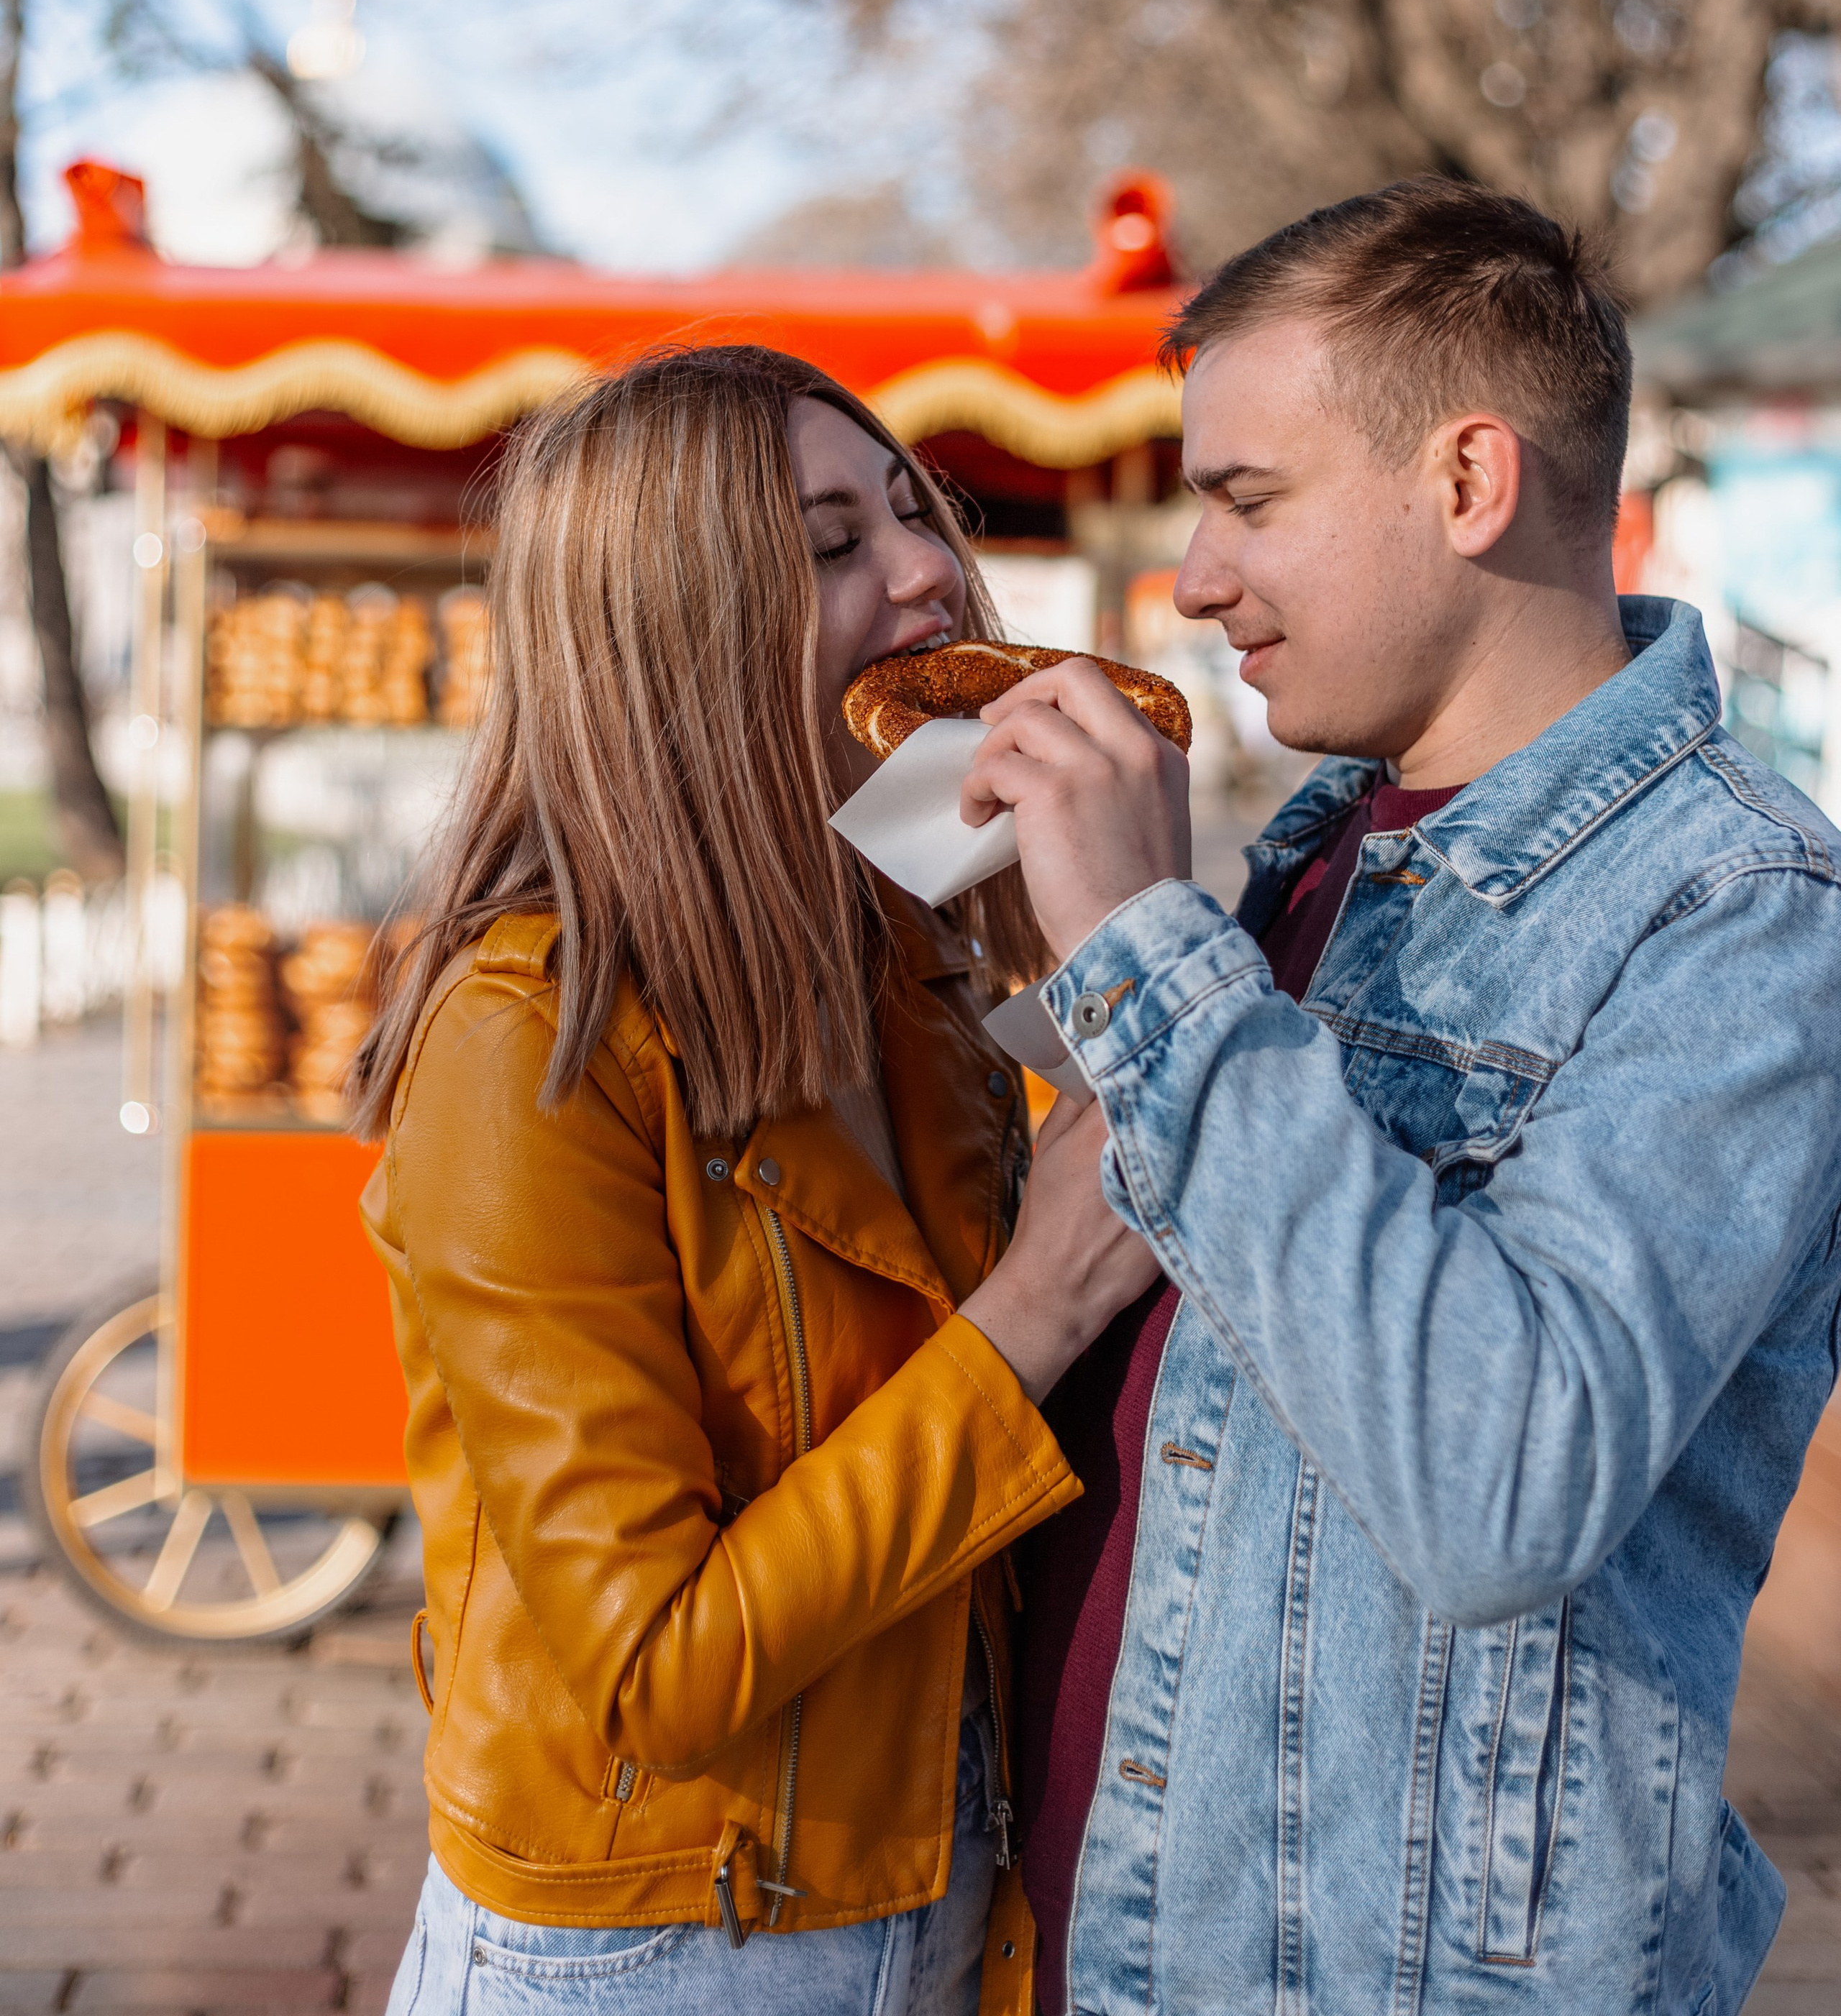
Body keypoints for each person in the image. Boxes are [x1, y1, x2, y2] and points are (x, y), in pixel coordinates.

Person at [965, 178, 1841, 2016]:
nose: (1194, 581)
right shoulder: (1325, 853)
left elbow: (1497, 1488)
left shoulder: (1742, 920)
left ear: (1465, 483)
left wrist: (1147, 948)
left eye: (1246, 502)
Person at [352, 347, 1156, 2016]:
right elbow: (656, 1664)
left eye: (912, 508)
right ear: (678, 630)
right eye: (826, 544)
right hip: (656, 1941)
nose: (930, 565)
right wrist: (1047, 1293)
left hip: (940, 1886)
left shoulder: (907, 954)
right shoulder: (531, 1039)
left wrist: (1110, 936)